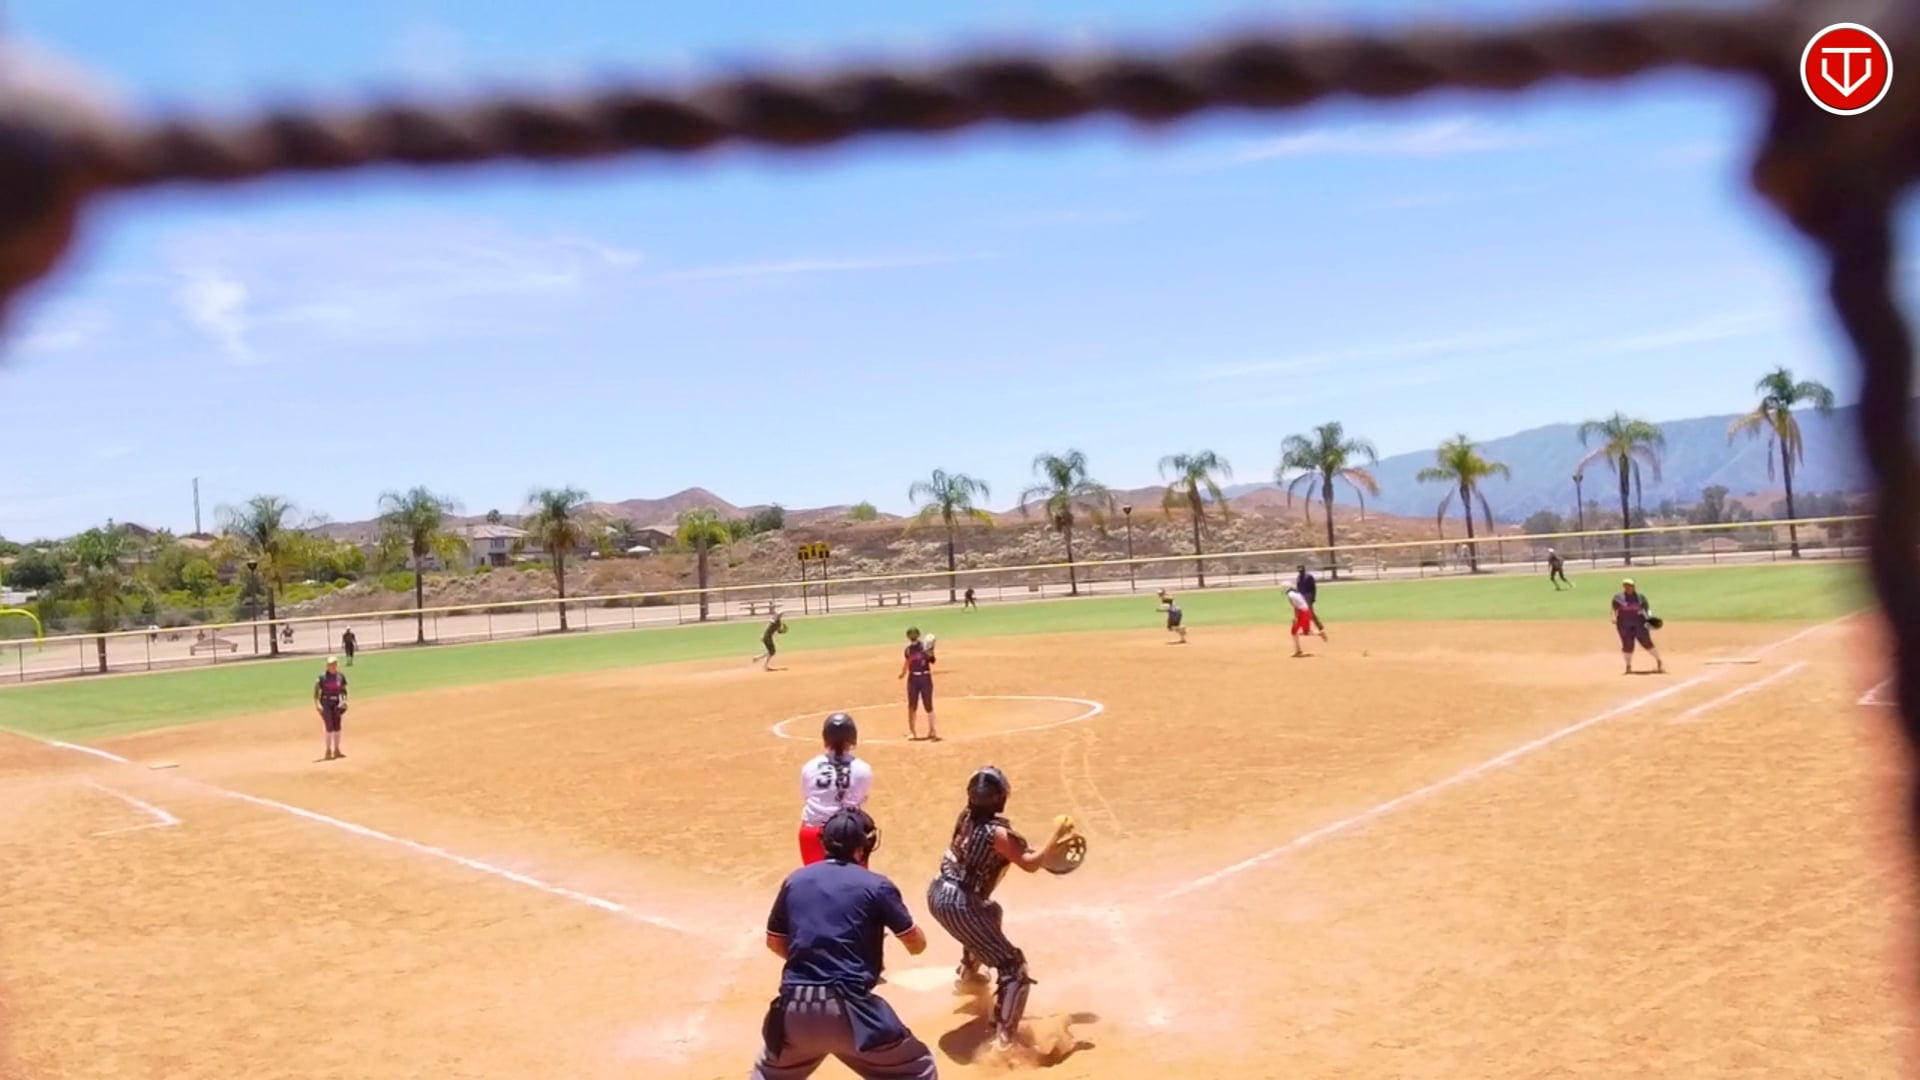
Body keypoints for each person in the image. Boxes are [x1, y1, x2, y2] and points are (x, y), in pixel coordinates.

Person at [752, 809, 937, 1080]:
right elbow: (915, 944)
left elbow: (775, 941)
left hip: (794, 1010)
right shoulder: (877, 885)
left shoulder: (795, 880)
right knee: (918, 1069)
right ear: (861, 849)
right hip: (853, 1014)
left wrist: (815, 959)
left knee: (766, 1074)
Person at [925, 766, 1077, 1052]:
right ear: (1001, 798)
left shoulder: (966, 818)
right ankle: (1004, 1042)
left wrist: (1044, 850)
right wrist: (1055, 836)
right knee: (1014, 967)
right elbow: (1029, 863)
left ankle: (969, 975)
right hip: (959, 904)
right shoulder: (996, 833)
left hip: (938, 892)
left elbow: (1015, 852)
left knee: (990, 913)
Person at [800, 713, 875, 866]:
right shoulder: (862, 768)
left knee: (815, 877)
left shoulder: (809, 766)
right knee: (854, 879)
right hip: (848, 835)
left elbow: (806, 796)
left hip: (812, 834)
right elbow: (862, 798)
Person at [1611, 578, 1664, 675]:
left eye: (1630, 585)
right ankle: (1628, 666)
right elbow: (1614, 609)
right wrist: (1613, 617)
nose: (1628, 587)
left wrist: (1649, 618)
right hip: (1623, 625)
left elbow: (1647, 609)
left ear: (1633, 586)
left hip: (1639, 623)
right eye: (1626, 585)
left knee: (1646, 643)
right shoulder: (1618, 598)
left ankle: (1658, 660)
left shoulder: (1640, 597)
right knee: (1627, 645)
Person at [900, 628, 939, 742]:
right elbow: (908, 661)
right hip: (913, 679)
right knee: (912, 706)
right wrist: (903, 672)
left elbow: (932, 660)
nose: (913, 636)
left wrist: (930, 650)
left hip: (925, 677)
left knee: (928, 704)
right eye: (911, 634)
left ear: (918, 635)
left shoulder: (924, 647)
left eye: (914, 634)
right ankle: (912, 731)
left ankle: (932, 730)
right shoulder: (908, 650)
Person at [313, 656, 349, 761]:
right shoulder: (322, 677)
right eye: (330, 665)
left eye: (333, 664)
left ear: (336, 665)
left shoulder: (340, 676)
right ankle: (328, 750)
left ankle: (337, 749)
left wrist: (344, 701)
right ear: (327, 666)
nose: (331, 666)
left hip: (337, 703)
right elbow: (316, 692)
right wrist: (317, 704)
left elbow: (343, 690)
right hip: (326, 703)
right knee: (329, 726)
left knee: (337, 726)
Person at [1286, 586, 1320, 656]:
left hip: (1302, 612)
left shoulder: (1289, 595)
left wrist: (1295, 617)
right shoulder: (1297, 594)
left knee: (1295, 631)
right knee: (1303, 631)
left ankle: (1298, 651)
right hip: (1306, 611)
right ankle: (1319, 633)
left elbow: (1295, 607)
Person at [1294, 564, 1326, 633]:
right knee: (1300, 613)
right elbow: (1298, 588)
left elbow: (1313, 588)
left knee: (1310, 613)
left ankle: (1319, 627)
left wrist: (1313, 598)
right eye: (1299, 569)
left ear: (1304, 569)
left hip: (1308, 595)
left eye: (1301, 569)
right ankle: (1305, 629)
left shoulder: (1309, 577)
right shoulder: (1298, 577)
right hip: (1301, 596)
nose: (1300, 571)